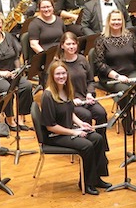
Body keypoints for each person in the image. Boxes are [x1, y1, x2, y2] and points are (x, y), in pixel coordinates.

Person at [38, 61, 111, 195]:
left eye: (63, 73)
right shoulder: (48, 96)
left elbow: (69, 112)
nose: (61, 76)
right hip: (55, 136)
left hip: (67, 129)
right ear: (52, 76)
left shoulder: (66, 89)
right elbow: (50, 126)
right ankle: (86, 182)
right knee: (87, 146)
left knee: (97, 138)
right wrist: (74, 132)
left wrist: (81, 124)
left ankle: (96, 178)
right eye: (58, 74)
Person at [93, 12, 136, 135]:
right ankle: (127, 121)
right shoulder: (101, 40)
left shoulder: (130, 36)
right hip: (111, 77)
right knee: (125, 92)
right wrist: (117, 76)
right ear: (108, 22)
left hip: (131, 73)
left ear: (123, 21)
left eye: (119, 20)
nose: (116, 22)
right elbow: (100, 64)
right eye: (113, 20)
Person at [57, 32, 107, 147]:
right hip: (69, 103)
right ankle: (87, 146)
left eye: (73, 44)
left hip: (85, 98)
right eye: (68, 44)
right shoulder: (58, 64)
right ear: (62, 46)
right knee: (86, 115)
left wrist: (90, 93)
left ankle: (101, 145)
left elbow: (90, 81)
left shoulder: (82, 59)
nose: (71, 47)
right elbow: (55, 90)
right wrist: (71, 99)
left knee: (101, 113)